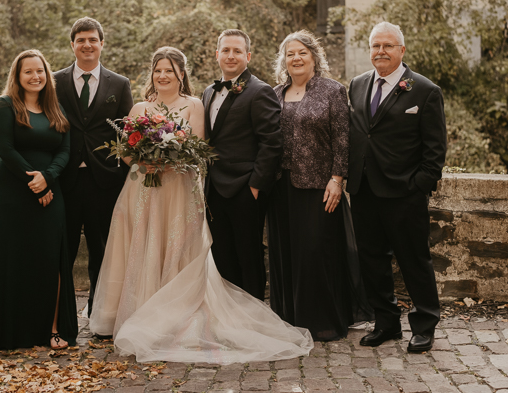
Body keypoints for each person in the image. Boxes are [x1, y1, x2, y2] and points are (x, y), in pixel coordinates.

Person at [89, 47, 313, 363]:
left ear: (182, 74)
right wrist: (145, 158)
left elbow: (196, 146)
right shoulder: (140, 107)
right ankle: (130, 312)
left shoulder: (194, 105)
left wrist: (166, 158)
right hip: (143, 188)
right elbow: (126, 152)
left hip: (179, 188)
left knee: (178, 246)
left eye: (170, 70)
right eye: (158, 70)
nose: (163, 75)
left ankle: (176, 316)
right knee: (138, 246)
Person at [0, 50, 78, 354]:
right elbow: (6, 150)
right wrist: (34, 182)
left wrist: (47, 178)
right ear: (18, 76)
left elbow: (65, 149)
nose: (36, 76)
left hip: (50, 188)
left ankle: (51, 328)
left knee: (50, 255)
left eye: (40, 71)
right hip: (12, 190)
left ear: (47, 75)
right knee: (6, 256)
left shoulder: (55, 107)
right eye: (29, 72)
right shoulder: (5, 105)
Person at [347, 21, 447, 353]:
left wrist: (419, 186)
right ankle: (386, 323)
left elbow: (435, 150)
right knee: (372, 261)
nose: (381, 51)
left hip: (404, 194)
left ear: (401, 50)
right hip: (363, 191)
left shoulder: (424, 90)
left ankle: (424, 325)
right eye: (376, 46)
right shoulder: (358, 85)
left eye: (388, 46)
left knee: (414, 261)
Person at [268, 30, 373, 341]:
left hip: (319, 186)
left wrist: (337, 179)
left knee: (316, 252)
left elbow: (343, 139)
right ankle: (290, 319)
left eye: (302, 52)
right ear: (283, 61)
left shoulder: (332, 91)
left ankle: (322, 321)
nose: (296, 58)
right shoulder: (275, 93)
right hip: (280, 187)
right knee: (287, 253)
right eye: (290, 54)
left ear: (314, 57)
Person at [53, 17, 133, 317]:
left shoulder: (119, 84)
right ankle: (60, 311)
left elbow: (128, 134)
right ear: (72, 44)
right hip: (66, 178)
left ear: (102, 43)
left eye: (93, 39)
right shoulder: (55, 81)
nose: (87, 44)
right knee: (64, 247)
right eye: (81, 39)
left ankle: (99, 312)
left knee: (103, 250)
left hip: (105, 180)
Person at [201, 29, 282, 300]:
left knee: (249, 257)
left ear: (247, 56)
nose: (231, 55)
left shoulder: (260, 91)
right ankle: (230, 320)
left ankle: (254, 320)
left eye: (237, 51)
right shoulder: (208, 92)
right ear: (217, 54)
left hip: (245, 190)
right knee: (222, 256)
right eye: (226, 50)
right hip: (215, 191)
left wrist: (255, 188)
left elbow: (271, 144)